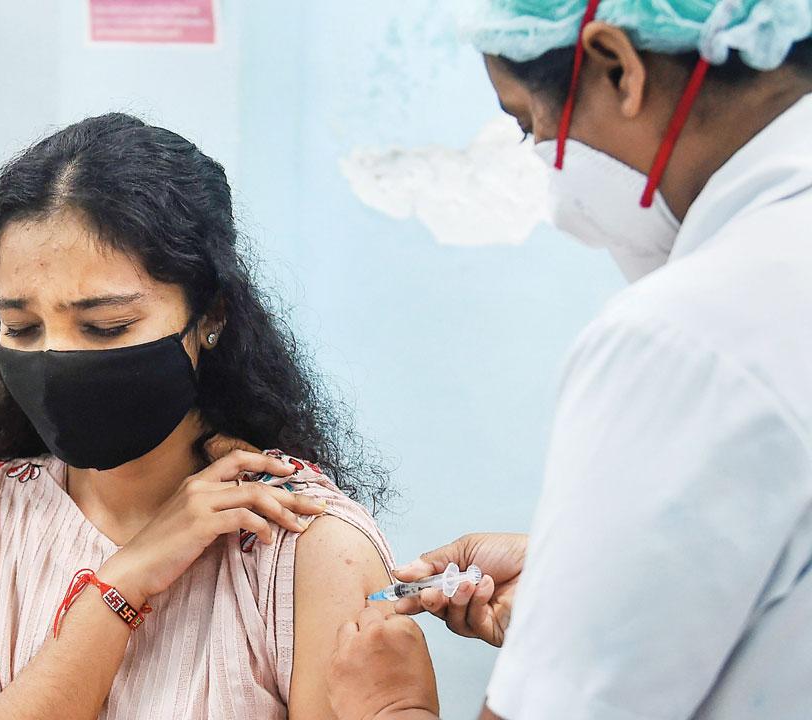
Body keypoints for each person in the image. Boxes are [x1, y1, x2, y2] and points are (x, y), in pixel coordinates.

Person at [325, 1, 812, 719]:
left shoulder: (681, 340)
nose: (540, 158)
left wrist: (391, 708)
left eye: (528, 123)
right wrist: (578, 584)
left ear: (618, 68)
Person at [0, 113, 400, 720]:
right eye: (22, 327)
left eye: (105, 326)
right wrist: (120, 586)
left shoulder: (301, 541)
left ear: (210, 317)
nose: (57, 357)